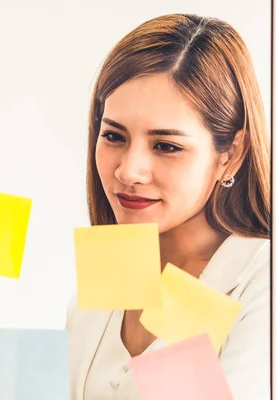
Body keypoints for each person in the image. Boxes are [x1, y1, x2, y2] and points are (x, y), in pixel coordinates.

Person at [66, 13, 270, 400]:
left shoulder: (259, 277)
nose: (129, 171)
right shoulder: (111, 269)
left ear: (230, 154)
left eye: (166, 146)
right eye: (113, 136)